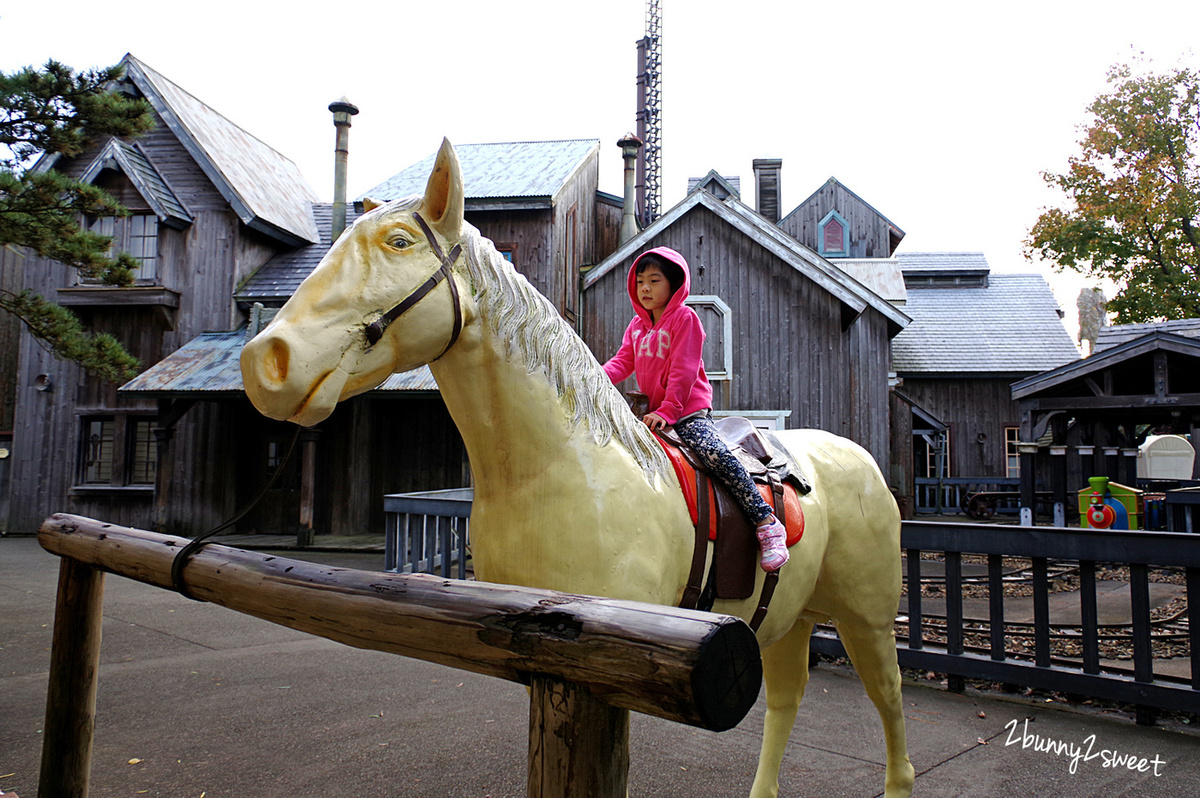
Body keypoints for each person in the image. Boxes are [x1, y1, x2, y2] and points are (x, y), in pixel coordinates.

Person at [602, 246, 789, 571]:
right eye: (640, 281)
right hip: (651, 415)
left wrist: (670, 410)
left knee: (715, 454)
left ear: (674, 284)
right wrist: (591, 377)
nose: (644, 288)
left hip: (686, 413)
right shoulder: (636, 326)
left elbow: (683, 370)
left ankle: (766, 522)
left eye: (654, 281)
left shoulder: (685, 319)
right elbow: (622, 362)